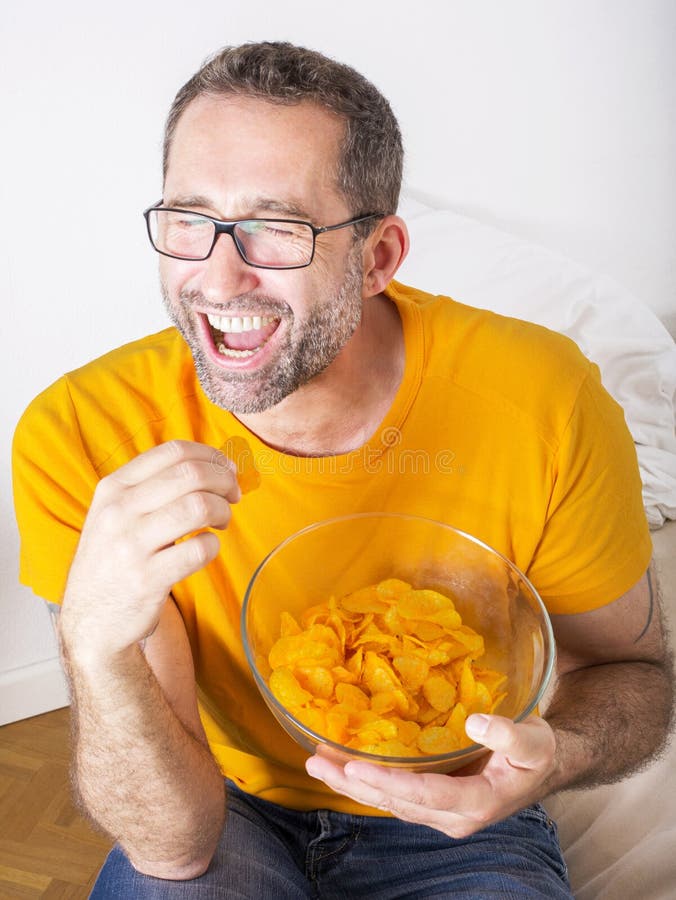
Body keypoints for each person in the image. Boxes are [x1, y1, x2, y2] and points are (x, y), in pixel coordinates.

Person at [12, 41, 673, 898]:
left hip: (458, 819)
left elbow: (633, 678)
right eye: (189, 219)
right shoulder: (85, 435)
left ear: (378, 258)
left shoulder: (544, 398)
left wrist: (553, 761)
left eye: (276, 228)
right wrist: (94, 645)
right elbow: (174, 849)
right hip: (225, 801)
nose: (218, 277)